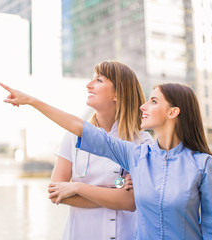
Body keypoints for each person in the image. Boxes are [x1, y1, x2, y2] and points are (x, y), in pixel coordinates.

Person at [0, 82, 212, 239]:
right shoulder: (136, 156)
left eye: (153, 101)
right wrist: (32, 101)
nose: (143, 107)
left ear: (173, 112)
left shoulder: (204, 165)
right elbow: (82, 129)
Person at [49, 61, 153, 240]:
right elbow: (55, 193)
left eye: (99, 80)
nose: (88, 85)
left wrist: (77, 187)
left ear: (118, 93)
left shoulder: (142, 142)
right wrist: (115, 196)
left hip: (126, 235)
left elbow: (130, 202)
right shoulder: (73, 137)